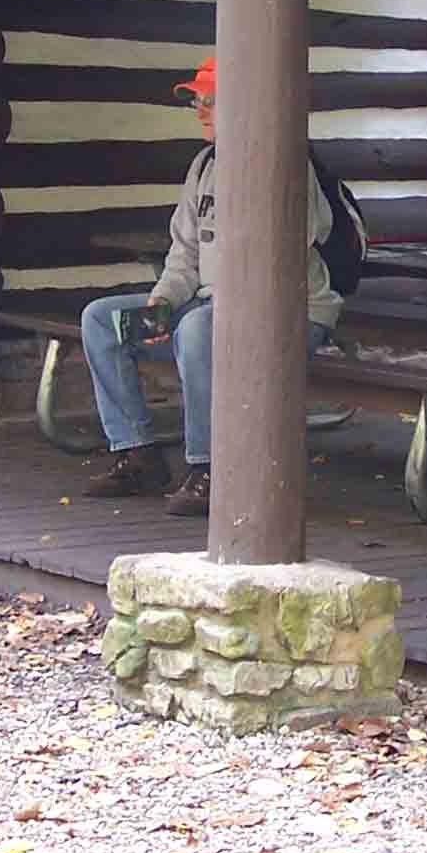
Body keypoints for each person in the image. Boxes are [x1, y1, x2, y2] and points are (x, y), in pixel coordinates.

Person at [79, 55, 342, 518]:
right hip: (205, 309)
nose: (200, 110)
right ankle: (138, 453)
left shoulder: (283, 163)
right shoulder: (205, 164)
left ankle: (210, 469)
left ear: (245, 105)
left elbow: (277, 262)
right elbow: (184, 253)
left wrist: (206, 311)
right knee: (103, 320)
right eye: (197, 101)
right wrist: (162, 302)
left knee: (200, 328)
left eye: (211, 101)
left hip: (287, 316)